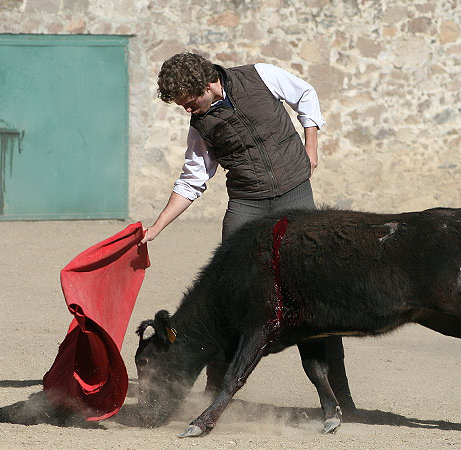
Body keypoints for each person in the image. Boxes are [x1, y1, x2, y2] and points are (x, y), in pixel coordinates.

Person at [141, 52, 356, 414]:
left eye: (189, 103)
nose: (188, 111)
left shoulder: (260, 76)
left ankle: (341, 398)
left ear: (207, 85)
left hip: (295, 195)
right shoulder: (200, 125)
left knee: (314, 297)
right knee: (227, 297)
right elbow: (193, 179)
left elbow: (305, 94)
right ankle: (214, 395)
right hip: (247, 203)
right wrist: (157, 227)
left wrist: (311, 146)